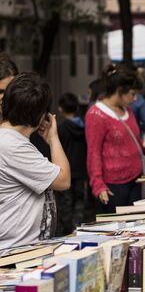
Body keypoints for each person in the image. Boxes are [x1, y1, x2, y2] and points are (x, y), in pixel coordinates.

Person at [0, 73, 70, 249]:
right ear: (40, 115)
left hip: (22, 248)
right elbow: (63, 180)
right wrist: (53, 139)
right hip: (15, 251)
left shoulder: (9, 140)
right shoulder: (12, 146)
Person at [85, 69, 145, 213]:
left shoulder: (128, 110)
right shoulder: (96, 114)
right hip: (113, 185)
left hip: (136, 179)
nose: (135, 99)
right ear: (120, 91)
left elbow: (134, 143)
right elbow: (93, 153)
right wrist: (98, 184)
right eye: (132, 94)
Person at [55, 93, 90, 235]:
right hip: (81, 170)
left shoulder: (61, 128)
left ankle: (67, 233)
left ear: (61, 109)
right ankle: (78, 229)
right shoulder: (85, 126)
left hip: (66, 172)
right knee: (80, 201)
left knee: (66, 203)